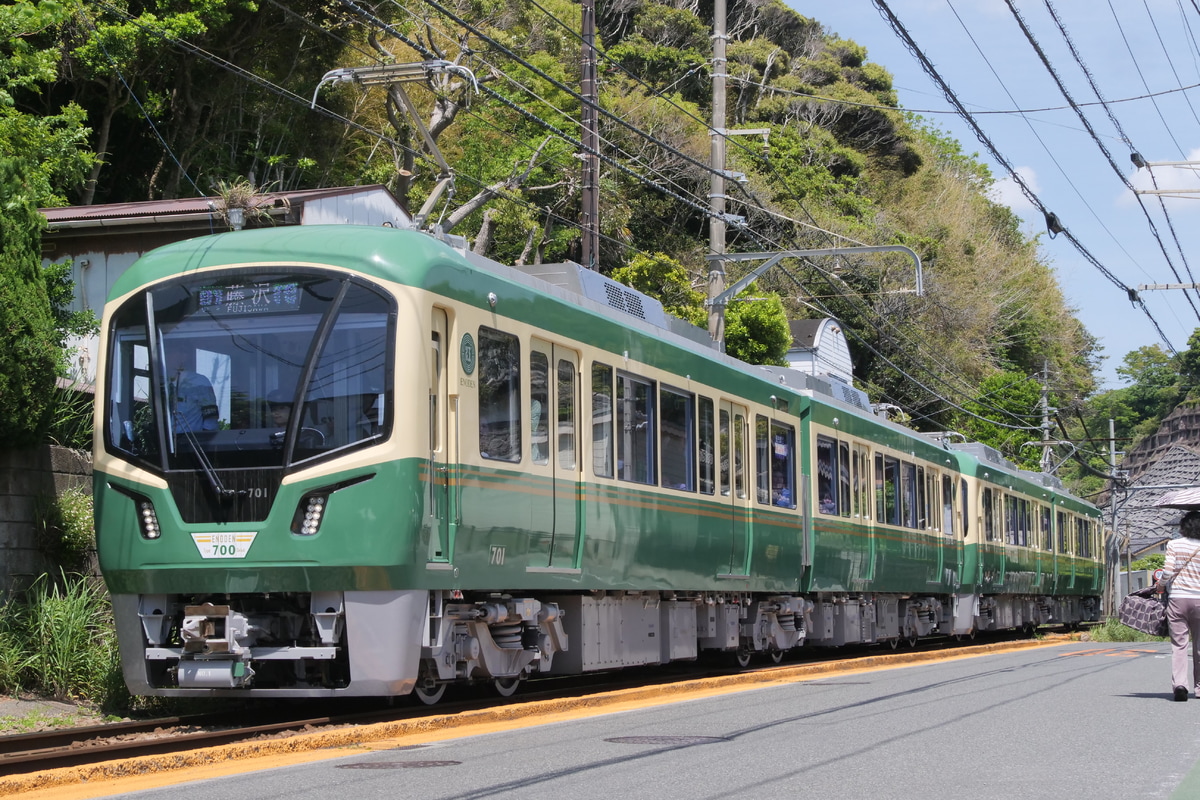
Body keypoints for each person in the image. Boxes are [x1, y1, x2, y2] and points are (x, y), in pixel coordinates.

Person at [1165, 510, 1200, 701]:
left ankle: (1180, 685)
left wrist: (1161, 584)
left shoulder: (1174, 544)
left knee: (1179, 645)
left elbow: (1168, 571)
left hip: (1178, 598)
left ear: (1183, 528)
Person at [169, 361, 218, 432]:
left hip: (191, 440)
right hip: (163, 440)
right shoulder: (162, 381)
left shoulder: (199, 382)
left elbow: (211, 424)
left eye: (170, 352)